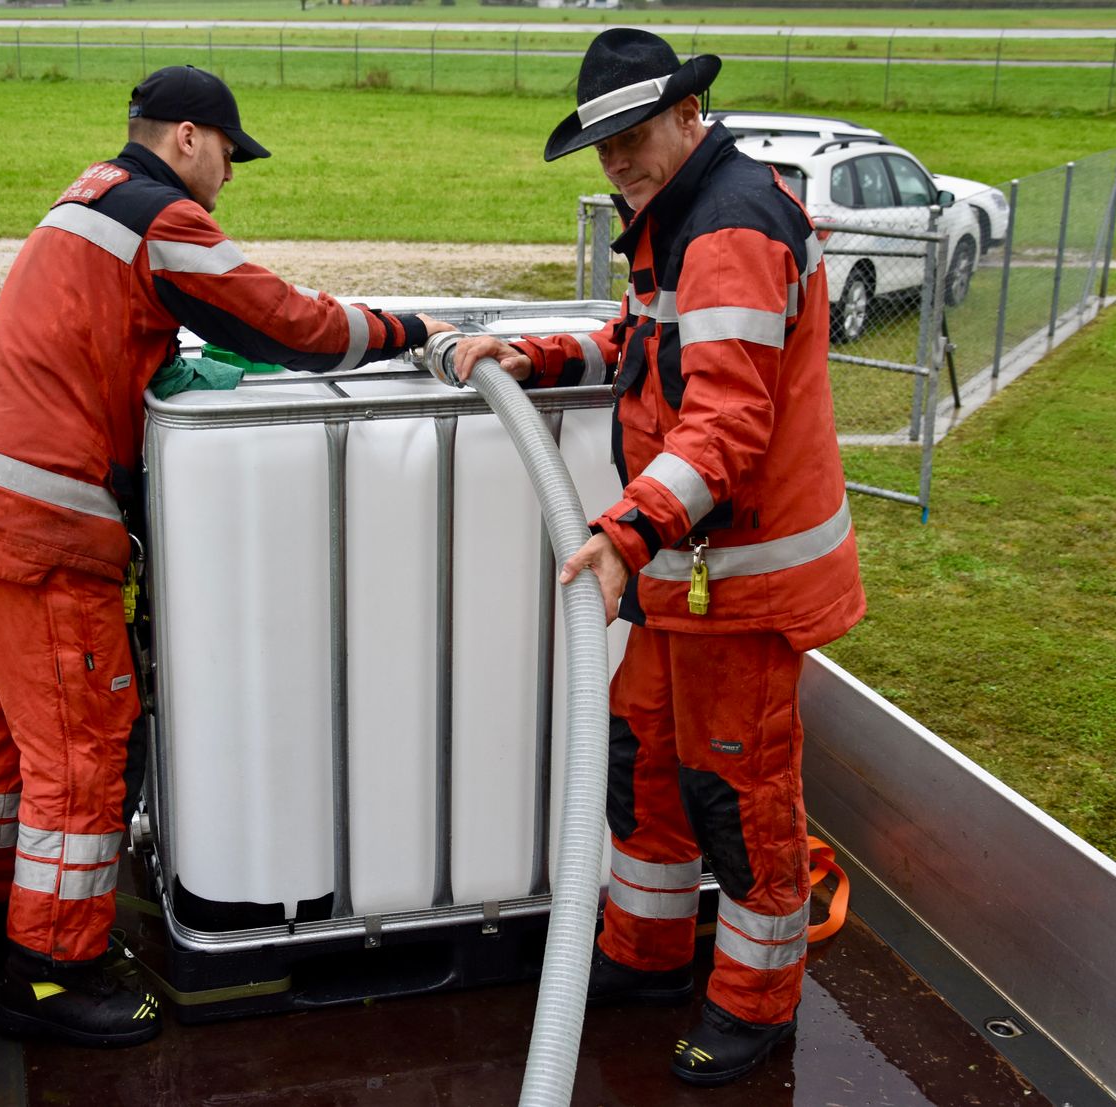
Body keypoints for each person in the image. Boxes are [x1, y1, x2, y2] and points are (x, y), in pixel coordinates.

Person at [0, 64, 452, 1048]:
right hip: (43, 535)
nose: (231, 180)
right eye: (230, 158)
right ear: (190, 139)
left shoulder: (80, 201)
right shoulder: (156, 218)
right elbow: (287, 323)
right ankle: (50, 978)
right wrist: (409, 331)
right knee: (83, 752)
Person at [453, 29, 865, 1088]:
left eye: (634, 138)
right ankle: (642, 951)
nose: (619, 163)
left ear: (690, 115)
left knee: (739, 794)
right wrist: (532, 351)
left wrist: (621, 535)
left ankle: (754, 1003)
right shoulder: (680, 216)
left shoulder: (729, 226)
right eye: (603, 148)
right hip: (687, 580)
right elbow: (648, 345)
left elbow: (724, 426)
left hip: (742, 578)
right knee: (645, 766)